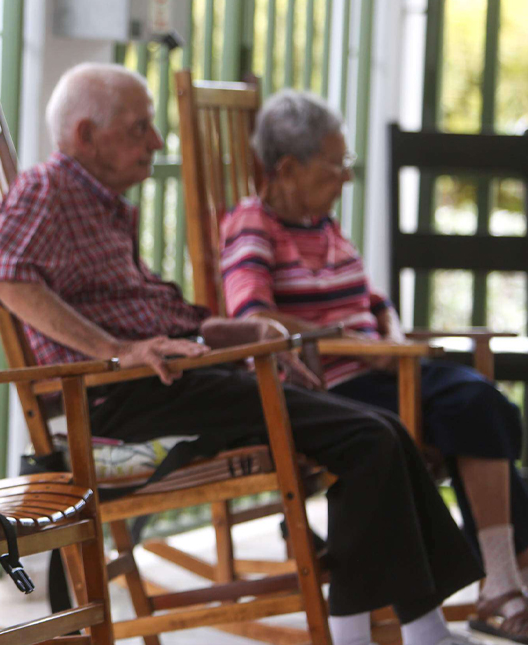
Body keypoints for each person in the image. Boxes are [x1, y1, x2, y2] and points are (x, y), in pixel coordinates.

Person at [0, 62, 484, 645]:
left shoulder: (101, 205)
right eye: (140, 128)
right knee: (368, 438)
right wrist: (116, 351)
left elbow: (147, 314)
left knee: (381, 431)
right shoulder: (50, 187)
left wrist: (227, 332)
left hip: (180, 376)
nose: (157, 141)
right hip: (130, 403)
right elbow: (4, 275)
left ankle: (421, 629)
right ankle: (377, 633)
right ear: (87, 135)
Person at [220, 88, 528, 642]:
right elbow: (254, 316)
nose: (347, 178)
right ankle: (504, 581)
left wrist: (388, 330)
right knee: (472, 406)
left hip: (382, 368)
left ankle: (504, 580)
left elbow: (371, 298)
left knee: (486, 405)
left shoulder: (324, 224)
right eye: (336, 166)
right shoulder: (252, 227)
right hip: (334, 387)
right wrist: (349, 341)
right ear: (286, 168)